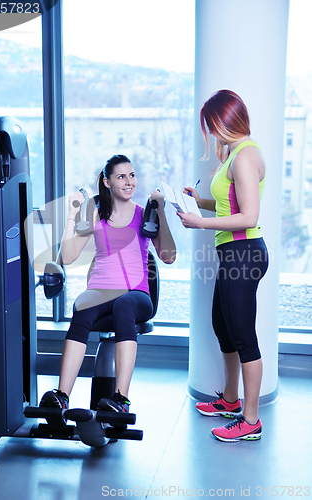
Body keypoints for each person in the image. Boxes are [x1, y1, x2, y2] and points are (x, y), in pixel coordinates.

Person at [40, 154, 176, 424]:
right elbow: (67, 256)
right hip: (101, 291)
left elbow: (169, 256)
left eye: (132, 175)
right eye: (121, 177)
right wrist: (71, 216)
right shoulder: (95, 215)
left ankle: (120, 400)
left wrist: (160, 211)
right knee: (82, 305)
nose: (129, 182)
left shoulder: (144, 214)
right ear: (107, 182)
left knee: (123, 305)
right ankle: (62, 395)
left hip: (136, 295)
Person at [177, 90, 269, 442]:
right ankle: (231, 400)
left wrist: (199, 223)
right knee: (223, 327)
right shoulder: (237, 154)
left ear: (225, 121)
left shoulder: (245, 156)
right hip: (233, 254)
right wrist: (197, 201)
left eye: (213, 127)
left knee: (244, 338)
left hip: (244, 254)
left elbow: (249, 215)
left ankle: (251, 420)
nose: (212, 134)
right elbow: (229, 204)